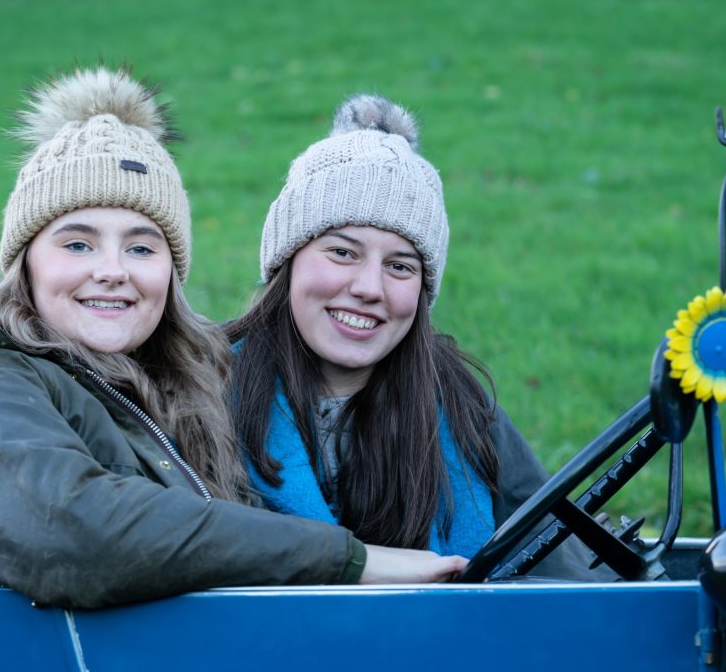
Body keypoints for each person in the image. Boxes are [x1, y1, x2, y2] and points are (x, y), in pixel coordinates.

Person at [0, 67, 470, 606]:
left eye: (141, 246)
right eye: (78, 242)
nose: (112, 269)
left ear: (170, 274)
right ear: (25, 264)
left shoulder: (176, 391)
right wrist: (351, 560)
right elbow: (79, 534)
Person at [225, 94, 597, 577]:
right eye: (342, 252)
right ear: (286, 261)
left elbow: (557, 564)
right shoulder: (206, 393)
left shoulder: (464, 409)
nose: (368, 288)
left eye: (400, 266)